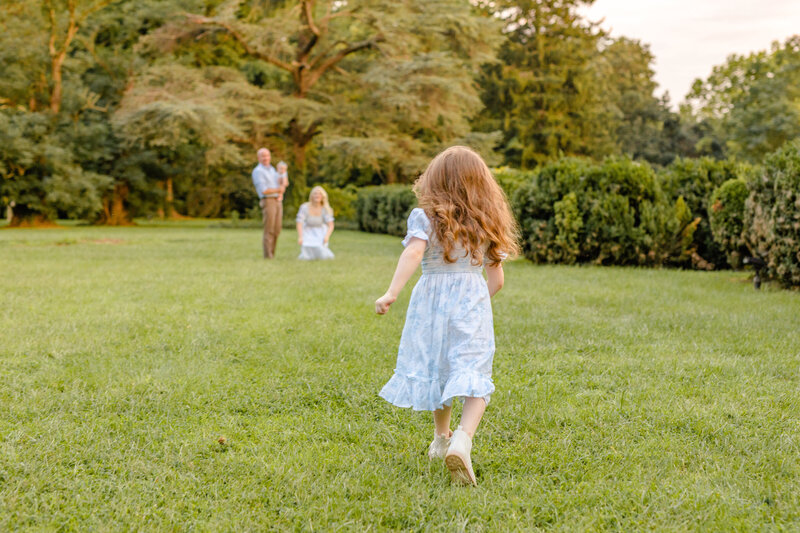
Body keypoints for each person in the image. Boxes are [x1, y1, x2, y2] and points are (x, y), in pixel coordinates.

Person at [374, 146, 518, 486]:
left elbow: (413, 252)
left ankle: (441, 439)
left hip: (430, 307)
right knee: (473, 372)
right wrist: (476, 303)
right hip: (471, 303)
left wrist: (392, 291)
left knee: (440, 370)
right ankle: (462, 439)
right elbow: (496, 280)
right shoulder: (487, 219)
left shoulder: (424, 216)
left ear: (434, 181)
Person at [251, 148, 287, 259]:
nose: (266, 158)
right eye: (263, 156)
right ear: (259, 158)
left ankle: (272, 253)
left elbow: (281, 185)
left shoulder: (272, 170)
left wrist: (282, 184)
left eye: (267, 155)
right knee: (269, 229)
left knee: (277, 229)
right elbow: (264, 190)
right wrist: (278, 190)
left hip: (277, 200)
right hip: (268, 200)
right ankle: (268, 256)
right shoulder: (258, 171)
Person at [295, 186, 335, 260]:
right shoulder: (304, 207)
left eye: (319, 194)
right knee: (307, 252)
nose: (317, 196)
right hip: (308, 231)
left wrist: (327, 236)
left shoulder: (326, 209)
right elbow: (299, 222)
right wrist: (300, 236)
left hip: (321, 231)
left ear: (322, 196)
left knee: (321, 251)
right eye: (315, 194)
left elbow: (331, 225)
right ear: (311, 196)